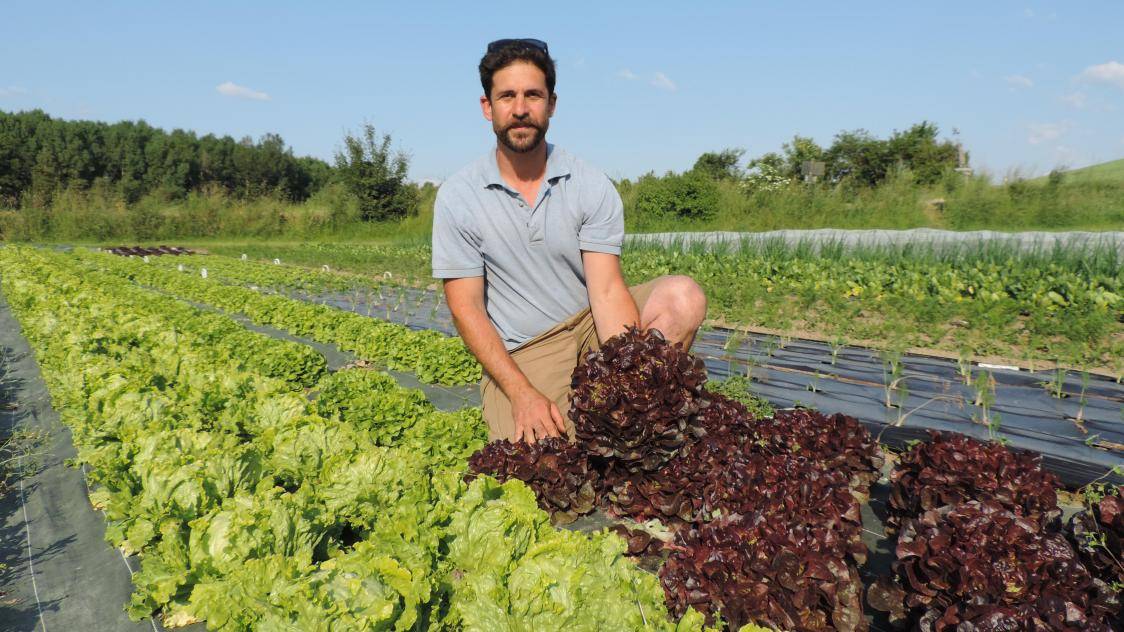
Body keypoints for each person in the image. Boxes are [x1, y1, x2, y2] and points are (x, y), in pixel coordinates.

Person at [432, 38, 707, 444]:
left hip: (589, 323)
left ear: (552, 105)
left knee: (682, 298)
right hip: (528, 347)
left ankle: (648, 411)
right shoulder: (460, 196)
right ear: (487, 107)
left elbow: (608, 289)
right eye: (507, 96)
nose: (520, 109)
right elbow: (466, 308)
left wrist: (626, 387)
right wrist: (521, 392)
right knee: (544, 451)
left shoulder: (589, 184)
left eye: (533, 95)